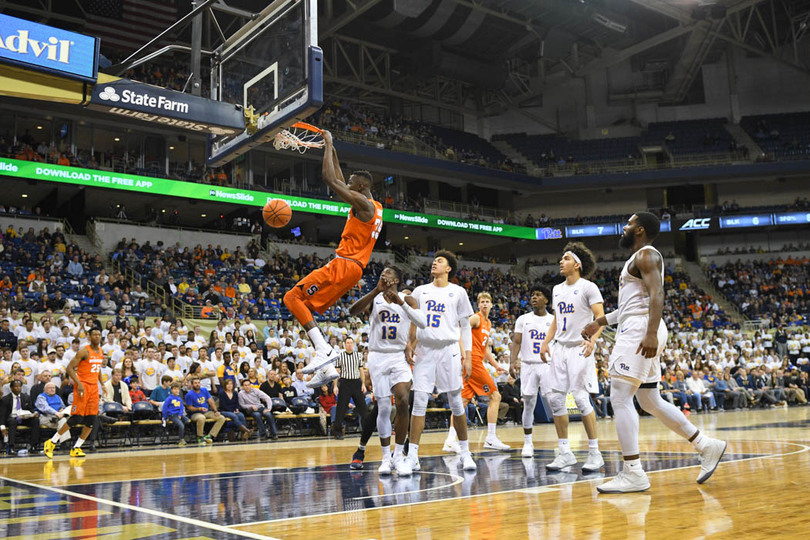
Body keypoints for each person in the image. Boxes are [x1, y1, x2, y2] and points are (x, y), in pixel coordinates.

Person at [583, 212, 727, 493]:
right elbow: (629, 307)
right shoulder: (637, 259)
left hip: (641, 330)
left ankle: (633, 471)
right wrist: (599, 322)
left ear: (639, 229)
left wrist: (649, 333)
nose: (623, 228)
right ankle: (706, 445)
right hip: (639, 324)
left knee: (620, 396)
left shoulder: (647, 255)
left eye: (627, 224)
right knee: (649, 399)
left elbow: (657, 294)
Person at [285, 130, 384, 389]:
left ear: (360, 187)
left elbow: (330, 178)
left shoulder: (363, 204)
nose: (347, 184)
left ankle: (324, 351)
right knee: (305, 305)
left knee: (291, 298)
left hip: (345, 264)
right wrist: (334, 149)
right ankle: (327, 366)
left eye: (351, 182)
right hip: (353, 269)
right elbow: (340, 178)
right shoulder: (374, 205)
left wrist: (327, 144)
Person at [348, 266, 426, 475]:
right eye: (382, 273)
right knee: (383, 407)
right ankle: (385, 458)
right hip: (377, 356)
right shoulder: (375, 298)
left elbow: (422, 323)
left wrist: (401, 302)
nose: (384, 274)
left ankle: (398, 456)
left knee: (402, 400)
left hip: (398, 356)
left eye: (388, 273)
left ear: (397, 279)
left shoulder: (407, 300)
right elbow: (352, 311)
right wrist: (375, 291)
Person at [407, 250, 477, 472]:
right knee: (419, 401)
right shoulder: (420, 291)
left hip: (449, 349)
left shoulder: (458, 292)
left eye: (439, 261)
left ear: (449, 269)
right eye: (434, 261)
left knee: (456, 402)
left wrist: (467, 356)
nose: (434, 263)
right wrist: (409, 345)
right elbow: (412, 322)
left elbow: (465, 326)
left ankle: (465, 453)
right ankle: (412, 456)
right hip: (425, 350)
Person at [538, 243, 605, 473]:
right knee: (555, 399)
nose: (560, 261)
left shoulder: (589, 287)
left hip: (580, 347)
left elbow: (600, 318)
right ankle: (565, 452)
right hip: (560, 348)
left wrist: (592, 341)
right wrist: (546, 342)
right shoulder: (557, 289)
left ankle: (595, 453)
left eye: (565, 258)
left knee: (580, 398)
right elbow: (556, 321)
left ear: (577, 264)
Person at [445, 291, 510, 453]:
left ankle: (450, 440)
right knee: (495, 396)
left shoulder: (488, 324)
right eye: (482, 301)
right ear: (478, 304)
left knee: (463, 402)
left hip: (475, 361)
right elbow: (459, 333)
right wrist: (464, 356)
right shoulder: (475, 318)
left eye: (487, 301)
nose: (485, 304)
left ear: (492, 304)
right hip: (472, 362)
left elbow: (485, 348)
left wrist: (495, 365)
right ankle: (491, 437)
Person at [44, 328, 107, 458]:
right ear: (89, 336)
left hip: (94, 388)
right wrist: (79, 384)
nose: (97, 336)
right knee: (77, 417)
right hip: (82, 387)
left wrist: (102, 384)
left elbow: (97, 369)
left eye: (99, 334)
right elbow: (69, 368)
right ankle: (52, 441)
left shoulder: (100, 351)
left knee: (92, 419)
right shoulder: (84, 351)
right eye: (94, 334)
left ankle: (77, 447)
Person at [509, 284, 555, 458]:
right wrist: (512, 361)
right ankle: (528, 442)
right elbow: (517, 342)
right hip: (528, 364)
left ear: (546, 300)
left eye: (538, 295)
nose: (534, 297)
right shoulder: (523, 319)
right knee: (528, 404)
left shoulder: (553, 320)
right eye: (532, 295)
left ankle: (563, 444)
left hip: (547, 364)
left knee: (554, 400)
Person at [330, 337, 368, 439]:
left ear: (354, 344)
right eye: (347, 343)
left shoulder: (358, 355)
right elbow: (336, 372)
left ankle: (365, 431)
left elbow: (361, 370)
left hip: (356, 383)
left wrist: (363, 384)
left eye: (351, 343)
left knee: (363, 408)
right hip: (345, 383)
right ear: (344, 344)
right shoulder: (340, 355)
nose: (349, 344)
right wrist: (335, 386)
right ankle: (338, 432)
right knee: (341, 408)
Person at [1, 379, 40, 454]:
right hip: (11, 418)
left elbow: (31, 410)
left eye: (19, 386)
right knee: (12, 421)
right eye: (16, 386)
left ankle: (33, 445)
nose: (18, 388)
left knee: (35, 420)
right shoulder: (5, 399)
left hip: (24, 417)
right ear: (11, 388)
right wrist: (2, 428)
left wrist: (34, 413)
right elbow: (2, 414)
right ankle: (11, 447)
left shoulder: (26, 397)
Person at [184, 377, 226, 445]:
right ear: (192, 385)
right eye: (195, 383)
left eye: (198, 383)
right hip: (195, 413)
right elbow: (189, 407)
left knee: (221, 418)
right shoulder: (189, 394)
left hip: (206, 411)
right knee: (201, 418)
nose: (197, 384)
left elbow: (211, 401)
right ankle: (200, 437)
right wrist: (199, 409)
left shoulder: (204, 390)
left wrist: (215, 411)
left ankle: (210, 436)